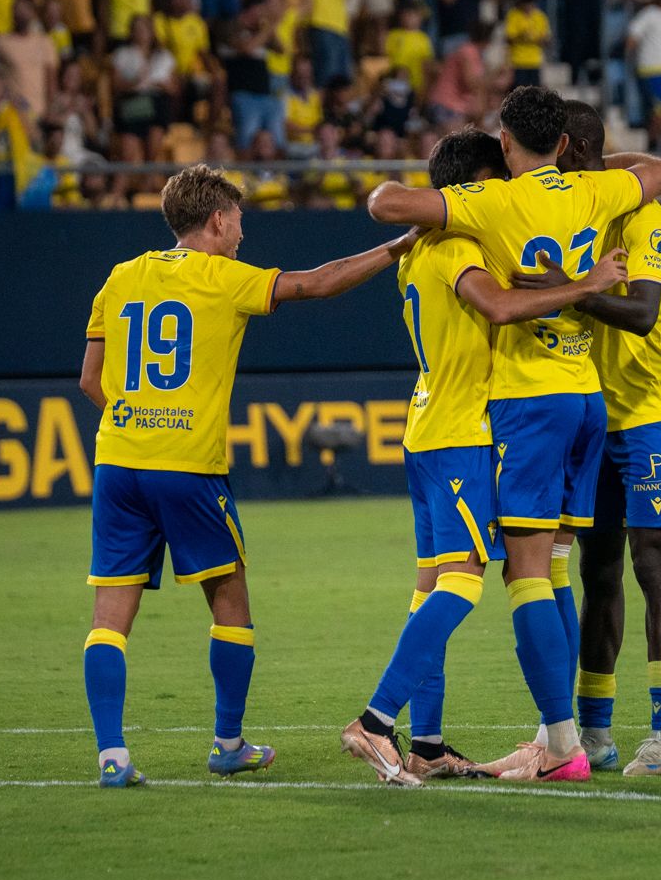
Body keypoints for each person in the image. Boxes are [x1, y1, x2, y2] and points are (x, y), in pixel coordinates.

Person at [367, 86, 661, 783]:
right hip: (586, 395)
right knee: (558, 564)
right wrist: (589, 170)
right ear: (566, 147)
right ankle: (559, 735)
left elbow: (386, 201)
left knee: (523, 573)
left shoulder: (492, 202)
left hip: (524, 401)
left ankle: (561, 745)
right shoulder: (593, 195)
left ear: (506, 144)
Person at [78, 165, 423, 787]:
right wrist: (397, 246)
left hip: (117, 464)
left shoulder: (121, 277)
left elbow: (89, 381)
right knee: (230, 601)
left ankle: (112, 755)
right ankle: (228, 743)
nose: (242, 234)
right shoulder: (223, 278)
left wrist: (139, 421)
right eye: (238, 221)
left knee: (110, 617)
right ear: (216, 220)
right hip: (187, 468)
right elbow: (316, 285)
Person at [542, 100, 661, 776]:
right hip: (589, 412)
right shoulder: (561, 207)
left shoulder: (641, 213)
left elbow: (640, 312)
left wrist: (568, 291)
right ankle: (594, 731)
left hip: (649, 407)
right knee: (594, 569)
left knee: (650, 562)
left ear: (569, 146)